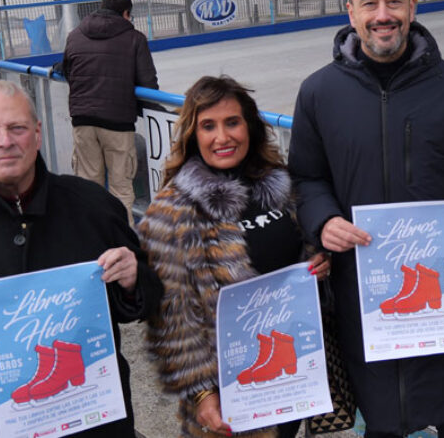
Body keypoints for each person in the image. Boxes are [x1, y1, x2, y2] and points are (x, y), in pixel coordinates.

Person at [288, 0, 444, 438]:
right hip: (366, 291)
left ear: (412, 6)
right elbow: (305, 178)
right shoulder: (319, 93)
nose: (382, 14)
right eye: (369, 3)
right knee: (383, 419)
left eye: (393, 1)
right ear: (350, 13)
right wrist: (323, 220)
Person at [0, 80, 162, 437]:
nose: (4, 141)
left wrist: (135, 280)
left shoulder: (92, 205)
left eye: (17, 128)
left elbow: (150, 295)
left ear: (38, 133)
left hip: (97, 422)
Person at [141, 75, 330, 438]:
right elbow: (171, 314)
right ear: (193, 135)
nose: (222, 137)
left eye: (232, 122)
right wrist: (202, 393)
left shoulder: (281, 185)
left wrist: (321, 264)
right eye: (208, 126)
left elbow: (301, 263)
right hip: (228, 388)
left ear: (250, 126)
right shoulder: (173, 209)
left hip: (286, 372)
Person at [57, 0, 158, 223]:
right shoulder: (135, 38)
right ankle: (121, 242)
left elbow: (68, 68)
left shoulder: (75, 35)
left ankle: (92, 240)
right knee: (121, 187)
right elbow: (148, 84)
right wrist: (151, 113)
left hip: (82, 120)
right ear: (125, 14)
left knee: (88, 185)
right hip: (118, 123)